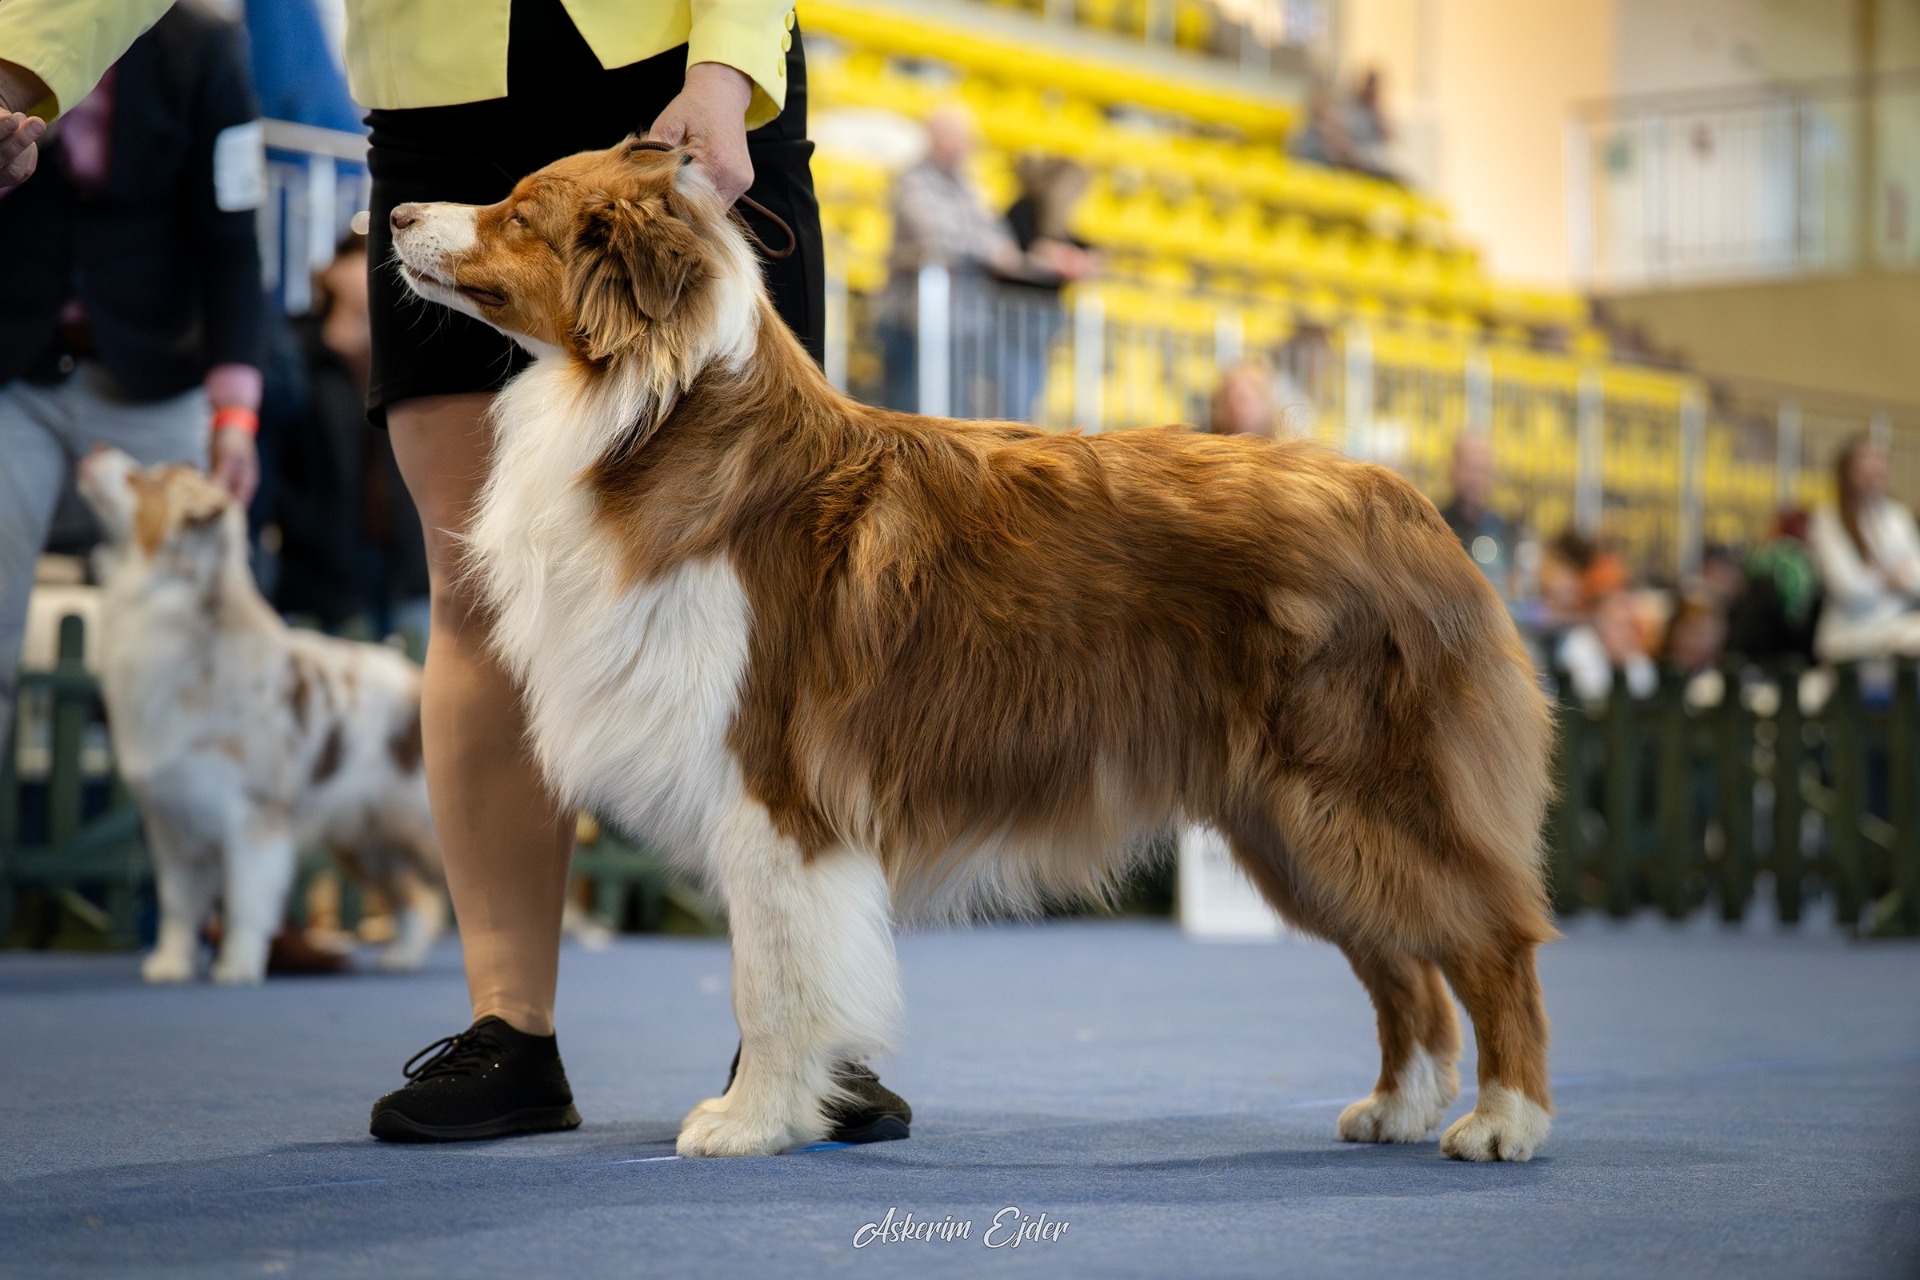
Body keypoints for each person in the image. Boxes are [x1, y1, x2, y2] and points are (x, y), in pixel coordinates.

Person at [9, 0, 910, 1147]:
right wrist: (21, 64)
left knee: (780, 607)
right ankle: (509, 1031)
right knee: (474, 590)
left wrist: (729, 72)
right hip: (447, 97)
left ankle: (797, 1035)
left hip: (689, 85)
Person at [0, 2, 264, 725]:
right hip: (13, 371)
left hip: (153, 378)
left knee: (196, 640)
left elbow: (233, 238)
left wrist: (235, 414)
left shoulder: (205, 46)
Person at [880, 104, 1025, 414]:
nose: (963, 146)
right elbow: (936, 237)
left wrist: (986, 248)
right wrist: (987, 251)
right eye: (955, 137)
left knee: (953, 410)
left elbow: (999, 235)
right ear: (933, 137)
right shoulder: (912, 181)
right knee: (909, 410)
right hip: (912, 318)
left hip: (962, 320)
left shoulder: (969, 186)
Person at [1808, 435, 1920, 662]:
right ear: (1848, 472)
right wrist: (1893, 579)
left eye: (1879, 463)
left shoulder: (1898, 517)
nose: (1874, 471)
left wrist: (1878, 575)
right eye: (1865, 465)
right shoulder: (1827, 520)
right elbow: (1848, 589)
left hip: (1898, 628)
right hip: (1850, 636)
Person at [1439, 434, 1519, 604]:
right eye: (1469, 468)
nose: (1476, 479)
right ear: (1453, 469)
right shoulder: (1435, 525)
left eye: (1483, 470)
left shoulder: (1506, 529)